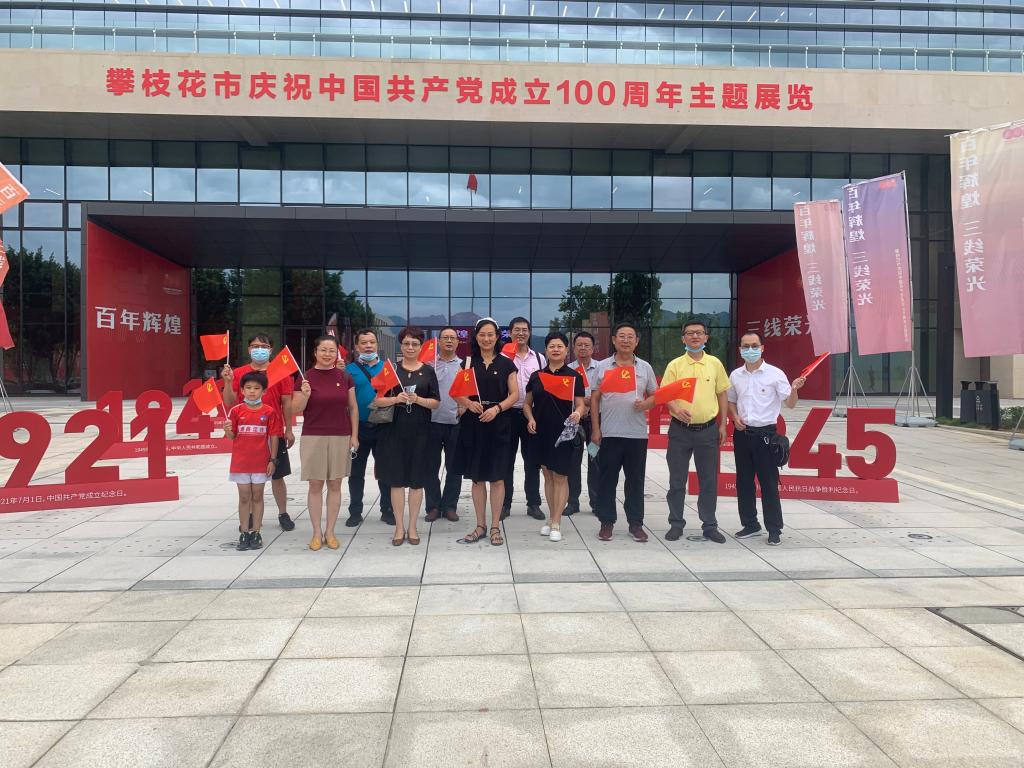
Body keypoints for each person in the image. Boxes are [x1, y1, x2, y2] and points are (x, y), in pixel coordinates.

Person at [728, 331, 805, 546]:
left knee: (769, 483)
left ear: (762, 348)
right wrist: (734, 416)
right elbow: (731, 400)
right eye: (745, 346)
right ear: (740, 349)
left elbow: (790, 403)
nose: (750, 350)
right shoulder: (735, 375)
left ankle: (774, 529)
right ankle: (750, 524)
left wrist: (795, 389)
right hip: (742, 434)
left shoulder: (775, 374)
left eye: (754, 345)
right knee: (743, 482)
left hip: (766, 436)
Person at [452, 317, 519, 546]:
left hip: (499, 423)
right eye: (482, 334)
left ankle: (495, 526)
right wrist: (468, 403)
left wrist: (497, 409)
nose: (487, 338)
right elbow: (456, 392)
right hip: (474, 424)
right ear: (476, 337)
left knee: (498, 478)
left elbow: (515, 395)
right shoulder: (467, 363)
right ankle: (480, 525)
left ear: (497, 336)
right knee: (477, 478)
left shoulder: (507, 363)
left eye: (491, 334)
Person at [662, 319, 731, 544]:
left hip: (708, 430)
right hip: (679, 431)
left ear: (706, 337)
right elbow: (665, 394)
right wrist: (675, 409)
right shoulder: (675, 365)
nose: (695, 336)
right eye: (690, 333)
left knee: (709, 480)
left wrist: (723, 424)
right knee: (677, 480)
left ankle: (709, 525)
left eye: (699, 333)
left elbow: (722, 394)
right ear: (683, 338)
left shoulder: (715, 364)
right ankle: (676, 523)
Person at [291, 335, 360, 551]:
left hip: (340, 435)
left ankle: (330, 531)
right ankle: (316, 532)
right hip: (313, 436)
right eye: (323, 350)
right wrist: (304, 395)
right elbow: (295, 409)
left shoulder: (345, 377)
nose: (328, 354)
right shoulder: (305, 377)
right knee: (315, 484)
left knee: (335, 484)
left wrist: (354, 435)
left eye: (332, 351)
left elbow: (353, 408)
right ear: (315, 352)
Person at [221, 333, 296, 532]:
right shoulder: (238, 373)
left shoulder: (280, 371)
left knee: (277, 475)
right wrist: (227, 382)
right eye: (255, 346)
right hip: (248, 434)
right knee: (250, 480)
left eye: (263, 346)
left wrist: (289, 429)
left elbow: (287, 402)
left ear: (271, 350)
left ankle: (283, 513)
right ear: (249, 350)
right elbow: (229, 401)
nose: (259, 350)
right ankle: (251, 516)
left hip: (273, 432)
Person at [373, 327, 441, 546]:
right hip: (394, 433)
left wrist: (418, 399)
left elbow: (436, 402)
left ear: (421, 347)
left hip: (421, 433)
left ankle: (412, 527)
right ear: (400, 346)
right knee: (396, 482)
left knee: (416, 482)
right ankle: (399, 528)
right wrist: (397, 399)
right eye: (406, 343)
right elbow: (377, 400)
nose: (410, 347)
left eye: (415, 344)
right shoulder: (391, 370)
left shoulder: (428, 371)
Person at [590, 322, 657, 543]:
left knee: (635, 481)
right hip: (609, 433)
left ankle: (635, 524)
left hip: (636, 434)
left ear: (636, 341)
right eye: (621, 336)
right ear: (613, 340)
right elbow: (595, 399)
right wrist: (596, 429)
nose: (626, 340)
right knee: (607, 479)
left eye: (630, 336)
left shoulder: (644, 367)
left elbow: (655, 396)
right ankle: (606, 522)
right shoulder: (602, 366)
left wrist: (645, 404)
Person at [523, 332, 586, 542]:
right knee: (548, 476)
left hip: (564, 433)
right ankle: (551, 518)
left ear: (566, 350)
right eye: (552, 346)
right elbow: (527, 404)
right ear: (546, 350)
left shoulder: (574, 376)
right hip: (541, 432)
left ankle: (557, 521)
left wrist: (577, 413)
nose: (556, 350)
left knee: (561, 476)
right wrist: (530, 418)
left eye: (560, 346)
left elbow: (580, 404)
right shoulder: (537, 376)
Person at [223, 371, 282, 551]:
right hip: (240, 463)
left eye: (256, 388)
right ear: (242, 390)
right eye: (248, 388)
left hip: (261, 463)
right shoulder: (236, 411)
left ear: (264, 391)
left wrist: (273, 460)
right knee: (244, 497)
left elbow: (274, 437)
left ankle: (256, 532)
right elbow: (232, 436)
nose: (252, 391)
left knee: (257, 496)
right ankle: (244, 532)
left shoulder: (269, 412)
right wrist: (227, 430)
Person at [345, 328, 395, 527]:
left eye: (372, 342)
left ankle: (387, 509)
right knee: (356, 472)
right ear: (357, 347)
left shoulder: (388, 368)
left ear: (377, 345)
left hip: (383, 427)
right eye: (364, 343)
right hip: (358, 428)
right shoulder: (349, 370)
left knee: (385, 471)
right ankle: (355, 511)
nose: (368, 346)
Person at [502, 316, 546, 521]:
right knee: (506, 461)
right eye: (517, 330)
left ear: (529, 332)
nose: (521, 333)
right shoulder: (502, 357)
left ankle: (533, 503)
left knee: (532, 461)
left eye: (524, 330)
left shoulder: (539, 358)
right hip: (507, 414)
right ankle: (505, 503)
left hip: (531, 415)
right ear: (510, 333)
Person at [425, 327, 464, 522]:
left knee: (454, 468)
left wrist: (464, 406)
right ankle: (433, 506)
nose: (449, 341)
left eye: (452, 338)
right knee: (430, 467)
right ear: (438, 341)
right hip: (431, 422)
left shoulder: (464, 366)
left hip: (455, 423)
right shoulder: (428, 364)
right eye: (445, 337)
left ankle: (449, 506)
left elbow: (471, 392)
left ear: (458, 342)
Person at [567, 331, 601, 517]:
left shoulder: (602, 368)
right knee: (573, 461)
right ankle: (573, 501)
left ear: (593, 348)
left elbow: (607, 393)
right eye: (579, 345)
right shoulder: (568, 370)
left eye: (586, 345)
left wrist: (592, 400)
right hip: (576, 421)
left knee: (595, 460)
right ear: (573, 348)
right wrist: (581, 402)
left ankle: (596, 501)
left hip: (596, 421)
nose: (583, 348)